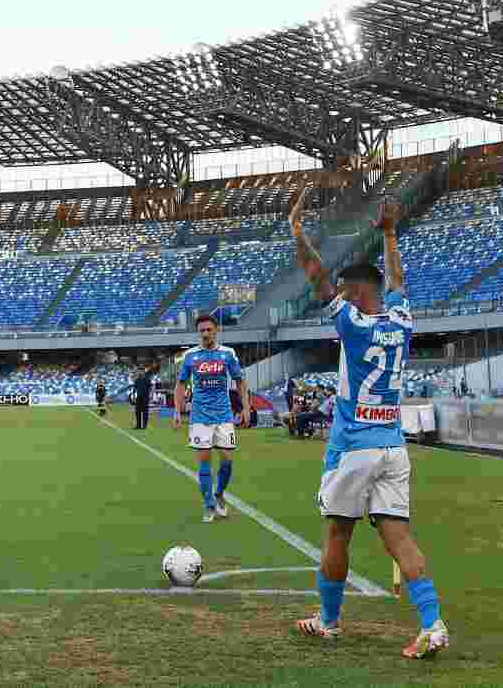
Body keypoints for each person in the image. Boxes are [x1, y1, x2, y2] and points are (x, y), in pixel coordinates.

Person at [288, 191, 449, 659]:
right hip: (393, 447)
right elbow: (397, 280)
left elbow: (316, 277)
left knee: (338, 533)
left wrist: (298, 234)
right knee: (399, 537)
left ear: (356, 294)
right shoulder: (401, 321)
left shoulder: (354, 325)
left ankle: (329, 621)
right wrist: (390, 233)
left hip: (355, 445)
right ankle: (433, 623)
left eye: (344, 290)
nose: (336, 294)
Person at [173, 314, 250, 523]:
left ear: (216, 330)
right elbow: (180, 384)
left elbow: (240, 381)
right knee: (204, 460)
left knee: (227, 459)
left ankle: (219, 493)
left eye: (209, 329)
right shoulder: (190, 356)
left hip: (224, 416)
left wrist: (246, 408)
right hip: (199, 416)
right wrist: (177, 411)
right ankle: (208, 505)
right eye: (202, 330)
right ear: (198, 333)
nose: (206, 333)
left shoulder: (227, 354)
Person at [132, 365, 155, 430]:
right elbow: (134, 389)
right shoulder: (137, 380)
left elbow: (151, 387)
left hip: (145, 397)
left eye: (141, 370)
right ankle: (138, 425)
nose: (140, 372)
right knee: (137, 412)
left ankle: (144, 426)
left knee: (145, 412)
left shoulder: (147, 379)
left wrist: (151, 396)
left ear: (143, 371)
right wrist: (133, 397)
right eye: (139, 370)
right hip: (138, 398)